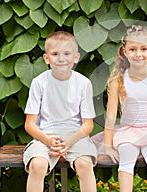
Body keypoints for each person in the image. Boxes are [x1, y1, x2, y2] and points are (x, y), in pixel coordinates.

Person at [94, 25, 147, 192]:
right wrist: (109, 145)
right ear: (124, 51)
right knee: (126, 154)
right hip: (128, 131)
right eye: (132, 49)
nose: (138, 54)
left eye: (143, 49)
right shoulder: (118, 80)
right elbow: (111, 115)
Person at [23, 31, 97, 192]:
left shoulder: (83, 83)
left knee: (85, 164)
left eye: (67, 54)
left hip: (75, 136)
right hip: (45, 136)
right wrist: (48, 141)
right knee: (37, 165)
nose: (61, 59)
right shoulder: (39, 83)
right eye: (55, 54)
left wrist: (69, 142)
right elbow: (29, 124)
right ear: (46, 58)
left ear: (76, 57)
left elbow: (88, 125)